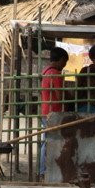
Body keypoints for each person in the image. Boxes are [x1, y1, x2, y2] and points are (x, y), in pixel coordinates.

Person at [39, 47, 69, 176]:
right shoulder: (55, 74)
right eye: (65, 62)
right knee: (49, 142)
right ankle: (44, 170)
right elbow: (60, 95)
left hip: (46, 111)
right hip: (54, 112)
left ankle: (43, 170)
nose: (64, 65)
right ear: (61, 59)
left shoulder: (45, 71)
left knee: (47, 141)